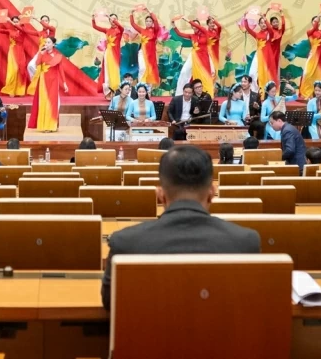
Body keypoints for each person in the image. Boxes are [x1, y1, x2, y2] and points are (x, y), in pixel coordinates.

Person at [101, 145, 260, 309]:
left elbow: (110, 302)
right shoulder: (246, 242)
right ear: (212, 194)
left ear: (160, 195)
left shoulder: (125, 243)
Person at [26, 37, 69, 132]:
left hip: (54, 81)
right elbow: (37, 64)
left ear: (53, 44)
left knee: (52, 103)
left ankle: (50, 126)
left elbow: (61, 70)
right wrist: (40, 53)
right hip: (43, 81)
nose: (46, 44)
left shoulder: (58, 55)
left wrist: (65, 83)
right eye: (46, 42)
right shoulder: (42, 53)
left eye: (49, 42)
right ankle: (43, 125)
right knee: (43, 102)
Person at [0, 13, 36, 97]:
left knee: (21, 71)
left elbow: (21, 26)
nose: (15, 23)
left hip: (20, 51)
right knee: (12, 71)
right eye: (14, 21)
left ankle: (20, 91)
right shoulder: (10, 31)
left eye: (17, 21)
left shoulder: (22, 30)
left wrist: (21, 20)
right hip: (12, 52)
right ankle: (11, 90)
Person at [171, 15, 214, 96]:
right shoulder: (192, 36)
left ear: (199, 26)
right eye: (192, 26)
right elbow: (180, 34)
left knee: (205, 76)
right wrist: (174, 26)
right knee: (184, 72)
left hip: (204, 57)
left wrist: (189, 21)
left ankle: (207, 95)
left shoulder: (205, 32)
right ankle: (180, 94)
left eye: (196, 25)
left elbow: (198, 27)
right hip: (193, 56)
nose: (194, 27)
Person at [129, 7, 163, 87]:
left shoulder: (155, 30)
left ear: (152, 23)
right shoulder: (142, 30)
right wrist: (131, 13)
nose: (148, 22)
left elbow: (156, 21)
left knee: (150, 70)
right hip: (142, 52)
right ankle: (141, 87)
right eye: (147, 21)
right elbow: (133, 24)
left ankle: (148, 89)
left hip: (151, 54)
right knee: (142, 69)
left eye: (150, 21)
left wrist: (150, 12)